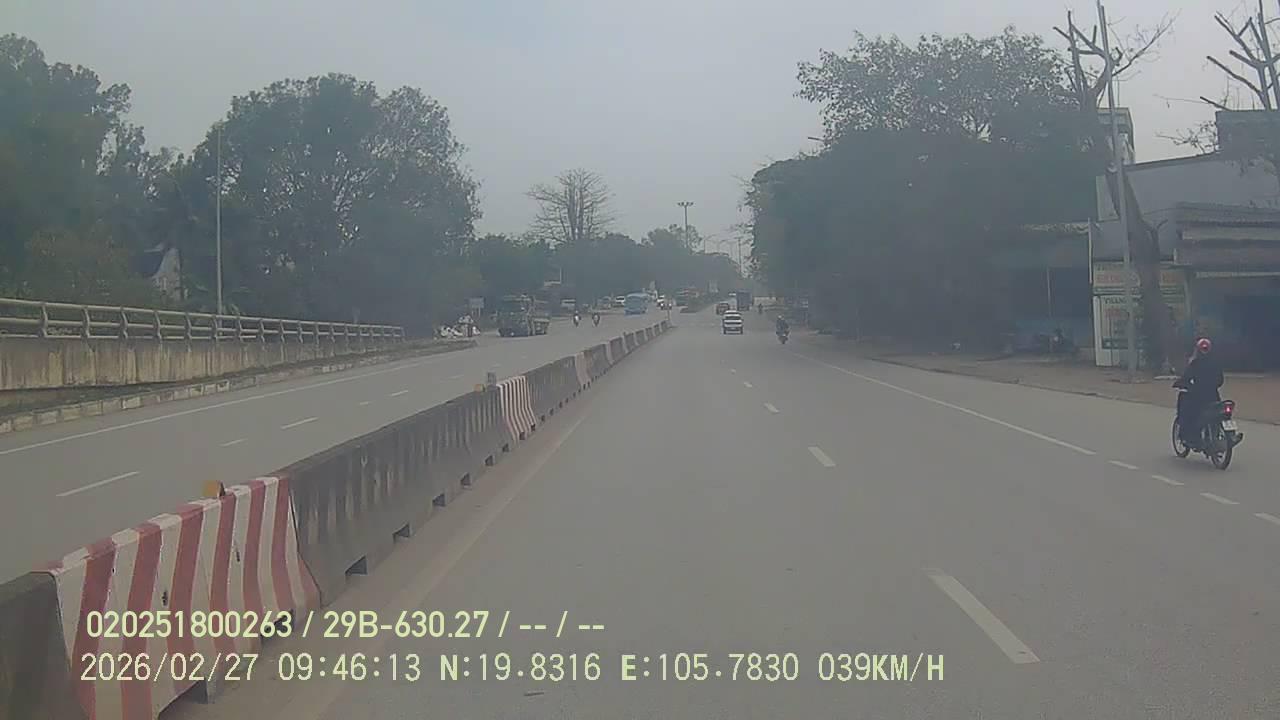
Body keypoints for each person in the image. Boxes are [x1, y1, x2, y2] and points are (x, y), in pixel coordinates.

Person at [1175, 337, 1224, 447]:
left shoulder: (1195, 363)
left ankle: (1192, 438)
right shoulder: (1215, 362)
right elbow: (1220, 380)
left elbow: (1186, 377)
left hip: (1198, 397)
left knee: (1188, 413)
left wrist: (1181, 383)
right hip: (1214, 396)